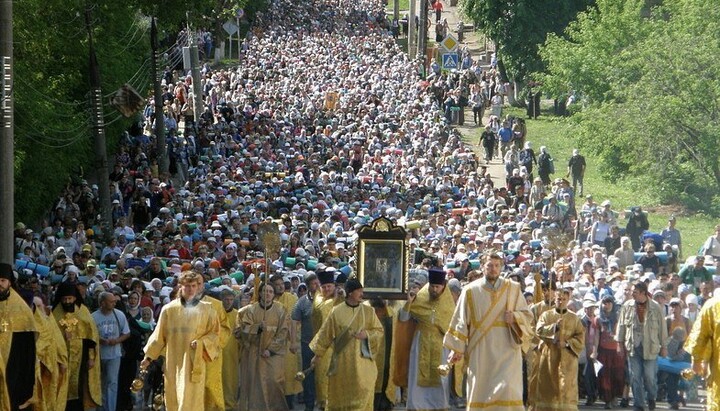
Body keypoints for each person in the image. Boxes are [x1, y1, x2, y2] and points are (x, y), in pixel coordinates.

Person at [443, 252, 533, 410]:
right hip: (481, 349)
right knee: (481, 392)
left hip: (507, 350)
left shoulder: (513, 289)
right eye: (489, 265)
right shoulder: (470, 291)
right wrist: (456, 348)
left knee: (508, 390)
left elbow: (527, 316)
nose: (493, 269)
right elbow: (461, 321)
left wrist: (516, 317)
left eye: (497, 266)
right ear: (482, 267)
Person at [141, 271, 221, 411]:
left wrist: (202, 342)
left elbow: (215, 335)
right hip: (174, 362)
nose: (190, 289)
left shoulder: (208, 309)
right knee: (173, 398)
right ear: (180, 287)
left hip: (194, 363)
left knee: (191, 400)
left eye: (193, 286)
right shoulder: (169, 310)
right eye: (187, 286)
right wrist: (148, 357)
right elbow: (159, 336)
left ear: (198, 287)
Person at [310, 277, 383, 410]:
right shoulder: (336, 311)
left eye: (362, 291)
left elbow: (379, 331)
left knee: (364, 392)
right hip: (342, 363)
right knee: (342, 397)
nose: (362, 294)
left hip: (363, 362)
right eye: (358, 291)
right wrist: (318, 355)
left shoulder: (369, 311)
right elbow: (325, 334)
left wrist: (366, 334)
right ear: (350, 293)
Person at [398, 267, 456, 410]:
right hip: (421, 340)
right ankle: (417, 405)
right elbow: (403, 317)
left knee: (441, 376)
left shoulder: (448, 304)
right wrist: (409, 303)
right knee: (417, 374)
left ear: (443, 287)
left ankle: (439, 405)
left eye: (438, 287)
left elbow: (452, 325)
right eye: (432, 286)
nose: (434, 289)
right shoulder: (420, 298)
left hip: (441, 342)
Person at [235, 281, 290, 411]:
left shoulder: (281, 309)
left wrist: (270, 350)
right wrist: (257, 328)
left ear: (274, 294)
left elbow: (283, 332)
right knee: (254, 385)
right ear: (260, 293)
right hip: (254, 352)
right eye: (265, 291)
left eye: (270, 291)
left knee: (274, 381)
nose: (267, 294)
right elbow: (243, 330)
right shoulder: (251, 310)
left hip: (273, 355)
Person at [529, 288, 585, 411]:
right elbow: (539, 331)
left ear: (568, 300)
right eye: (559, 299)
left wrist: (567, 343)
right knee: (548, 387)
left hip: (567, 359)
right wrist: (554, 327)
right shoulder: (547, 315)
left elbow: (581, 338)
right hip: (549, 357)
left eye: (564, 299)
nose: (561, 301)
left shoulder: (574, 318)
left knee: (566, 388)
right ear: (555, 298)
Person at [616, 280, 668, 411]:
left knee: (650, 377)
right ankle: (639, 404)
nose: (632, 294)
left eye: (635, 292)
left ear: (643, 293)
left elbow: (662, 329)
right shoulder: (627, 306)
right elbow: (621, 326)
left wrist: (664, 346)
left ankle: (651, 397)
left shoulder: (656, 307)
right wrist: (619, 343)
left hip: (650, 347)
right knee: (635, 377)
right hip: (633, 346)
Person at [52, 280, 102, 411]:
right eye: (64, 299)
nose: (67, 302)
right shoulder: (55, 313)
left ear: (75, 297)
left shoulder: (83, 311)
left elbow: (91, 337)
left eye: (70, 298)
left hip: (81, 356)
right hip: (61, 357)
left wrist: (91, 358)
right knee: (61, 386)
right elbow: (51, 336)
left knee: (79, 387)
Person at [0, 263, 38, 410]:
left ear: (9, 282)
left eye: (3, 280)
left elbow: (27, 346)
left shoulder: (20, 307)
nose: (0, 284)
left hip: (12, 364)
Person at [91, 291, 130, 411]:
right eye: (111, 301)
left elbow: (126, 333)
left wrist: (117, 340)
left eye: (114, 301)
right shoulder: (93, 317)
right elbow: (89, 335)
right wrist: (99, 339)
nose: (114, 303)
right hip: (98, 355)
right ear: (102, 303)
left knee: (112, 382)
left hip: (114, 354)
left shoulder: (119, 315)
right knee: (98, 382)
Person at [684, 292, 720, 411]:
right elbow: (701, 335)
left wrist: (697, 360)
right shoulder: (713, 306)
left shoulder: (712, 305)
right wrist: (697, 360)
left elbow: (700, 336)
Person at [270, 274, 302, 408]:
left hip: (289, 340)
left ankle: (289, 403)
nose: (280, 286)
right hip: (273, 342)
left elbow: (297, 320)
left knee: (289, 373)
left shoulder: (292, 298)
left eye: (282, 283)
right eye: (277, 285)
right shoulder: (269, 300)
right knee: (274, 374)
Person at [292, 273, 320, 411]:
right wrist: (293, 341)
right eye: (314, 284)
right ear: (308, 286)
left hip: (324, 345)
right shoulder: (302, 302)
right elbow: (294, 321)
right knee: (308, 375)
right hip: (307, 344)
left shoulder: (328, 300)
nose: (317, 286)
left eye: (318, 283)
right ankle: (309, 405)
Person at [596, 294, 625, 409]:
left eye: (609, 303)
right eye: (604, 303)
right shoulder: (598, 319)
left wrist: (620, 345)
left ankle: (614, 397)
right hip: (603, 352)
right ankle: (607, 400)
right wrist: (594, 351)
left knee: (617, 376)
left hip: (617, 352)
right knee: (604, 377)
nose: (606, 305)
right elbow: (597, 337)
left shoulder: (618, 318)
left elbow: (622, 334)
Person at [219, 289, 240, 410]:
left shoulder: (237, 314)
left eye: (231, 300)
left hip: (232, 352)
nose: (228, 302)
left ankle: (230, 404)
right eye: (226, 299)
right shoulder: (216, 313)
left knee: (231, 380)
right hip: (217, 352)